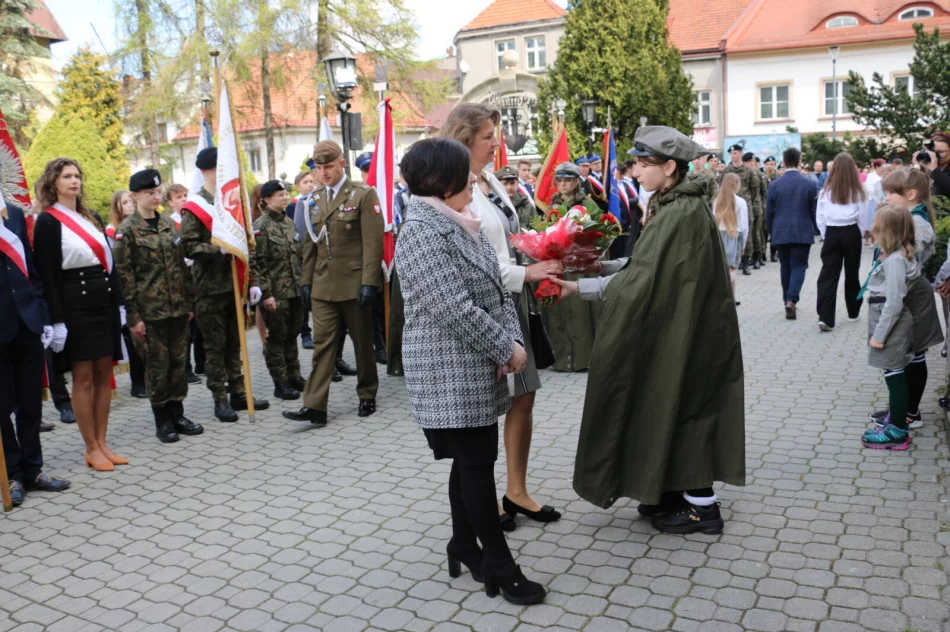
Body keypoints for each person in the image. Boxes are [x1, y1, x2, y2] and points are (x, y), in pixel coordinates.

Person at [552, 125, 745, 534]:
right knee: (672, 401)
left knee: (689, 404)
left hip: (688, 331)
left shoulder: (680, 212)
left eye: (643, 164)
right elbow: (646, 263)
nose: (635, 172)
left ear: (669, 167)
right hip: (682, 327)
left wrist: (579, 286)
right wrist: (600, 266)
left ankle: (702, 509)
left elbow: (642, 279)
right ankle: (671, 490)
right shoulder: (675, 203)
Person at [395, 137, 546, 605]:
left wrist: (511, 344)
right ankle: (499, 564)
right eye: (467, 173)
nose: (476, 179)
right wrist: (507, 347)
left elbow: (494, 290)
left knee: (473, 459)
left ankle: (463, 544)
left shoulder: (459, 221)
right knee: (478, 464)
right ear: (443, 181)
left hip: (476, 365)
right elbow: (452, 308)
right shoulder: (421, 230)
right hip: (448, 370)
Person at [441, 103, 564, 531]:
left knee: (524, 395)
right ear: (464, 139)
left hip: (513, 300)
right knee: (488, 404)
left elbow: (507, 236)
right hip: (489, 307)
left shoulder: (489, 178)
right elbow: (474, 261)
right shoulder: (455, 187)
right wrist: (526, 272)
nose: (498, 142)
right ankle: (485, 496)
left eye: (495, 134)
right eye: (489, 136)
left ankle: (517, 490)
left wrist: (544, 249)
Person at [32, 158, 127, 471]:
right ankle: (90, 447)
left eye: (77, 176)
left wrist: (121, 304)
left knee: (104, 375)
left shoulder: (90, 216)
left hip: (102, 301)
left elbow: (107, 264)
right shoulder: (47, 221)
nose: (74, 181)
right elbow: (48, 275)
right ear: (53, 182)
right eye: (66, 176)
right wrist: (55, 320)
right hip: (75, 305)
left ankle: (102, 442)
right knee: (84, 379)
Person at [282, 141, 384, 426]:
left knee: (363, 343)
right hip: (323, 285)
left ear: (341, 163)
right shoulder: (313, 199)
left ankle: (367, 392)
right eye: (319, 168)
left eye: (328, 166)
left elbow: (372, 243)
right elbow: (310, 247)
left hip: (354, 284)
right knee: (322, 345)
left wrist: (369, 282)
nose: (324, 173)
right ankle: (315, 405)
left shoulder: (363, 195)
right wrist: (305, 282)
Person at [113, 169, 203, 444]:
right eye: (149, 193)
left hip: (177, 308)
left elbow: (181, 267)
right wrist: (134, 317)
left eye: (157, 191)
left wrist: (188, 302)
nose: (156, 196)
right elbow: (125, 277)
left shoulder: (168, 224)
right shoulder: (127, 231)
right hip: (150, 312)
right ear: (135, 195)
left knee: (178, 362)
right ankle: (162, 420)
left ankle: (178, 413)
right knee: (157, 366)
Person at [180, 147, 269, 422]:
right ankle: (219, 397)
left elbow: (246, 244)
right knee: (215, 346)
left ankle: (239, 393)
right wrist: (216, 249)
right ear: (206, 171)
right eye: (219, 169)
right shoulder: (195, 207)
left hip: (234, 285)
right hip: (209, 288)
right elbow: (188, 246)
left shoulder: (231, 203)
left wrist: (252, 280)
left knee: (236, 342)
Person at [1, 197, 71, 506]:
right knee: (2, 407)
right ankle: (11, 474)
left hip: (27, 322)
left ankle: (33, 470)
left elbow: (29, 267)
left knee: (30, 405)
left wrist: (41, 311)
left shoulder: (13, 212)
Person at [869, 169, 943, 430]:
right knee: (908, 354)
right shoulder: (909, 218)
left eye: (891, 193)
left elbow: (906, 263)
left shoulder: (917, 224)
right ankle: (903, 409)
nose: (886, 197)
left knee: (915, 354)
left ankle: (909, 413)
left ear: (911, 195)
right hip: (907, 293)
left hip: (912, 296)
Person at [859, 205, 918, 450]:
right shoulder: (896, 255)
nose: (874, 232)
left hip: (890, 325)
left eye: (878, 229)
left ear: (890, 232)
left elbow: (894, 302)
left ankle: (897, 431)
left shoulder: (895, 261)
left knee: (894, 374)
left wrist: (880, 336)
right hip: (887, 320)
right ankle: (895, 425)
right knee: (892, 372)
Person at [251, 180, 306, 401]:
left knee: (292, 334)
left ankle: (294, 375)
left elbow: (298, 256)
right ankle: (280, 381)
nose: (284, 198)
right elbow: (257, 262)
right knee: (277, 337)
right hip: (275, 292)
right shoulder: (261, 225)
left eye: (285, 194)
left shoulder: (289, 222)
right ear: (265, 199)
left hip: (294, 290)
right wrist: (266, 294)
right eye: (279, 195)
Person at [815, 152, 867, 332]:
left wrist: (825, 234)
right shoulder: (858, 192)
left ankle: (825, 317)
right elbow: (862, 217)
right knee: (852, 274)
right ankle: (853, 311)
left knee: (828, 275)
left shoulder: (825, 192)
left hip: (832, 233)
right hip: (851, 231)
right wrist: (858, 234)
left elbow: (820, 218)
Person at [766, 147, 818, 321]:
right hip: (802, 230)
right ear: (799, 161)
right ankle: (791, 299)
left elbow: (769, 211)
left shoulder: (774, 185)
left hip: (780, 231)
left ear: (783, 161)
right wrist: (815, 228)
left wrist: (771, 231)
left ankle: (787, 300)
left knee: (785, 266)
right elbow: (813, 210)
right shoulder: (810, 184)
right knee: (799, 266)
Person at [106, 189, 147, 397]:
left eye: (132, 201)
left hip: (145, 288)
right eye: (125, 202)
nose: (130, 205)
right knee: (133, 338)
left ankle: (148, 379)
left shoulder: (142, 226)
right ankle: (137, 382)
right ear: (118, 207)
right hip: (124, 289)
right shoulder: (112, 232)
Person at [163, 183, 203, 385]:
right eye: (179, 197)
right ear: (170, 202)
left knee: (199, 322)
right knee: (185, 327)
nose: (184, 199)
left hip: (197, 276)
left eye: (186, 195)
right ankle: (185, 368)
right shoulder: (170, 223)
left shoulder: (192, 219)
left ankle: (201, 362)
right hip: (181, 275)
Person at [722, 145, 761, 275]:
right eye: (732, 153)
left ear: (740, 154)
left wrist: (748, 200)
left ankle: (745, 262)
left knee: (746, 231)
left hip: (745, 205)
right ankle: (732, 259)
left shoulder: (749, 171)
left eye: (736, 153)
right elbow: (721, 187)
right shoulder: (726, 170)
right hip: (729, 205)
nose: (734, 155)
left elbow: (755, 189)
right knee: (730, 232)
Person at [288, 171, 316, 350]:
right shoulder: (294, 205)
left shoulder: (318, 200)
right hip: (301, 255)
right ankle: (305, 333)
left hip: (316, 254)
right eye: (306, 182)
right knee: (304, 297)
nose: (310, 185)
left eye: (312, 181)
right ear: (298, 186)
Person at [712, 173, 748, 305]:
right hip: (734, 236)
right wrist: (743, 244)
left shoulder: (717, 201)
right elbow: (744, 226)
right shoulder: (741, 202)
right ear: (735, 185)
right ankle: (723, 296)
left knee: (723, 269)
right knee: (731, 270)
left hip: (719, 236)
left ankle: (732, 297)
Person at [744, 152, 769, 268]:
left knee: (756, 232)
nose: (751, 164)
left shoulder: (759, 174)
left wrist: (761, 204)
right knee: (746, 233)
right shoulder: (743, 172)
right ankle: (747, 257)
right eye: (749, 162)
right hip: (746, 205)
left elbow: (764, 192)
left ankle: (757, 257)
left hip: (756, 206)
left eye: (752, 161)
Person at [914, 131, 950, 199]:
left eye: (940, 152)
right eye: (932, 151)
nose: (935, 155)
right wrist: (916, 168)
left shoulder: (934, 171)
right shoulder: (926, 168)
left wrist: (935, 171)